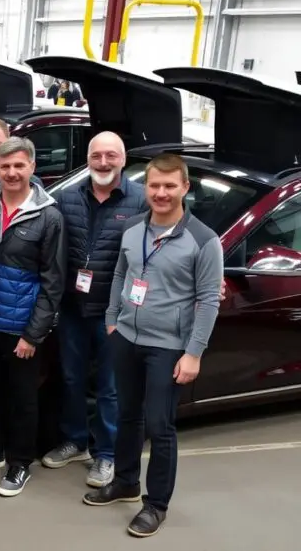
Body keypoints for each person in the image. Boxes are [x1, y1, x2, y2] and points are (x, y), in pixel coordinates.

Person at [84, 153, 222, 538]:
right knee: (128, 414)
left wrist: (193, 352)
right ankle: (126, 481)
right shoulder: (132, 228)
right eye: (154, 185)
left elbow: (209, 300)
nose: (161, 193)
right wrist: (113, 319)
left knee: (160, 426)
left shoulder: (203, 240)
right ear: (145, 187)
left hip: (169, 346)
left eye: (169, 186)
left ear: (184, 188)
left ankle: (156, 503)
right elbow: (120, 275)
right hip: (126, 338)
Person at [0, 136, 65, 498]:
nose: (12, 172)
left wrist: (33, 335)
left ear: (32, 167)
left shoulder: (49, 216)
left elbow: (53, 282)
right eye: (5, 166)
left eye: (19, 165)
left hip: (20, 328)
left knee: (22, 398)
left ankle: (19, 462)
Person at [42, 131, 146, 488]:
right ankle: (75, 439)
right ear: (88, 158)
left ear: (123, 158)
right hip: (72, 308)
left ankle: (106, 454)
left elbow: (177, 234)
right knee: (71, 379)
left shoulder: (142, 200)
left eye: (111, 156)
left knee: (110, 387)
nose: (103, 162)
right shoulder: (67, 197)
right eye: (97, 156)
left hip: (115, 313)